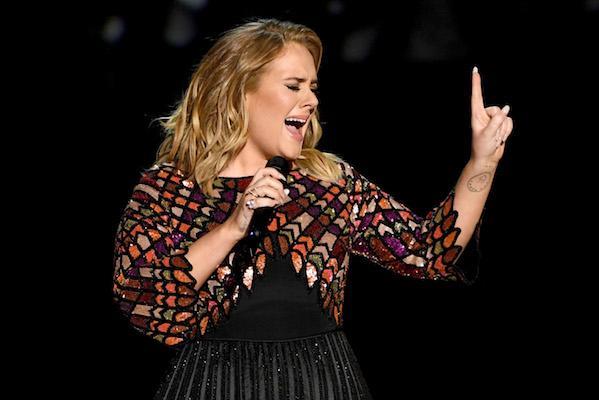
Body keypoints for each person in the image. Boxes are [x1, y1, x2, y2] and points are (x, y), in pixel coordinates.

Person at [112, 18, 513, 400]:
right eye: (293, 86)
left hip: (322, 383)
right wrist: (234, 226)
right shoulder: (167, 189)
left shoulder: (330, 183)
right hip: (214, 385)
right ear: (238, 92)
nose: (311, 100)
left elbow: (428, 253)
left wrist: (482, 163)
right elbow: (143, 301)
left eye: (313, 87)